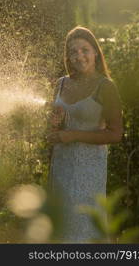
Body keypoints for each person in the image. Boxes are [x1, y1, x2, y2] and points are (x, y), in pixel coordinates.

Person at [47, 26, 123, 243]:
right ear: (68, 57)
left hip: (88, 169)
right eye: (73, 52)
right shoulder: (61, 84)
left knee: (84, 227)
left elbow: (116, 134)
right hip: (61, 165)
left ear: (95, 52)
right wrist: (54, 124)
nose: (79, 56)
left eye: (84, 50)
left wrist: (72, 136)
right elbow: (55, 131)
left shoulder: (106, 87)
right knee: (60, 229)